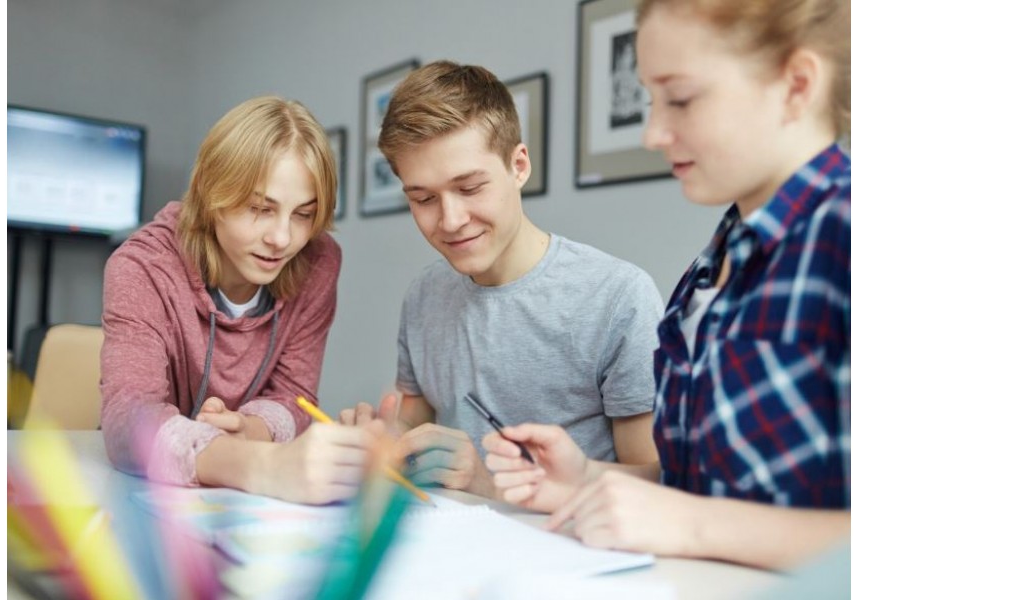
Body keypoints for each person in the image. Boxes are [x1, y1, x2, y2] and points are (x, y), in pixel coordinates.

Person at [485, 0, 851, 571]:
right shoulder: (715, 262)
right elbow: (719, 485)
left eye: (680, 98)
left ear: (796, 84)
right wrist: (587, 480)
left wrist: (689, 525)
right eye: (652, 99)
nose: (654, 132)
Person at [341, 61, 664, 499]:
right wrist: (382, 440)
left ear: (519, 165)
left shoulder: (617, 298)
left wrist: (485, 479)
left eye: (471, 188)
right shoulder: (424, 295)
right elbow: (413, 426)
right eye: (423, 198)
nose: (451, 220)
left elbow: (655, 482)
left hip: (567, 549)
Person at [100, 96, 381, 504]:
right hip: (142, 498)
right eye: (260, 208)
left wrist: (249, 429)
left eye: (303, 214)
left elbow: (295, 397)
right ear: (211, 195)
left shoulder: (318, 262)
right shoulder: (141, 266)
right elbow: (128, 422)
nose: (282, 239)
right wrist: (260, 464)